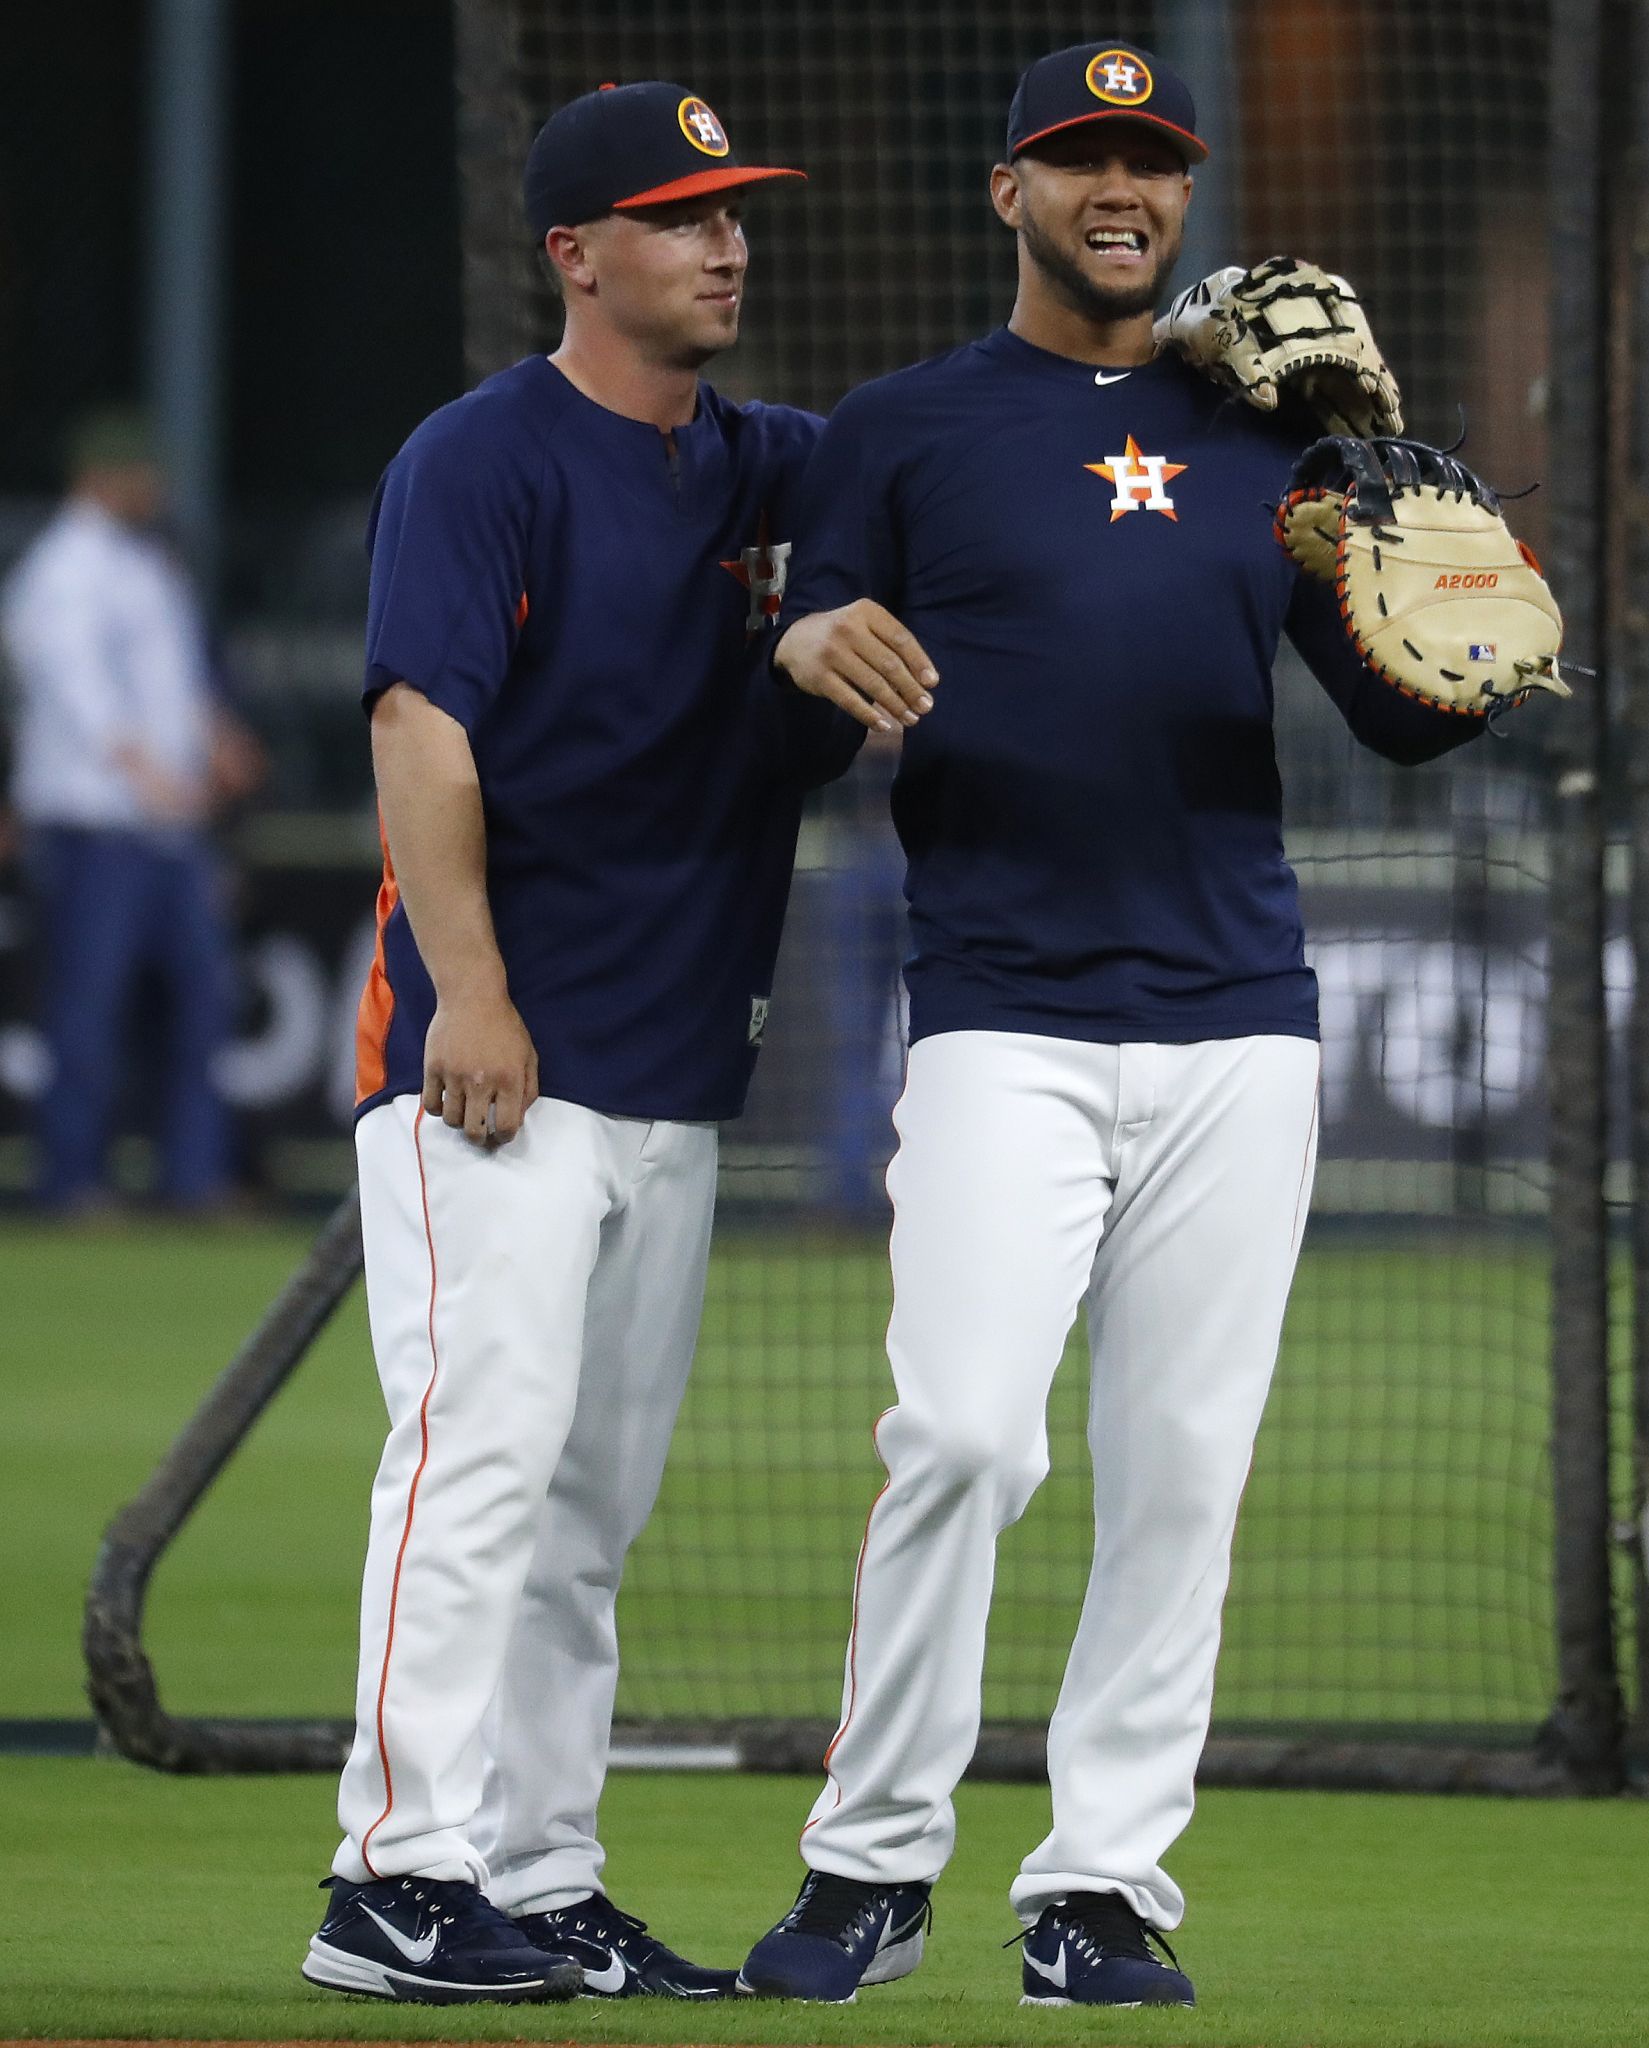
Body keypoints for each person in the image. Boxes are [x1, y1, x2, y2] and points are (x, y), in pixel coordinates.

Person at [739, 42, 1489, 2010]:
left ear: (1184, 191)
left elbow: (1415, 713)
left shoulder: (1271, 436)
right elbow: (798, 731)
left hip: (1241, 1022)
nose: (1118, 188)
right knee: (964, 1434)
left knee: (1180, 1473)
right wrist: (803, 642)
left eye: (1149, 160)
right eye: (1080, 158)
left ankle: (1100, 1891)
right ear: (1010, 192)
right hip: (1003, 1010)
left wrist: (1407, 506)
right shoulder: (898, 431)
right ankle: (869, 1860)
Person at [301, 82, 863, 2006]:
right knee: (476, 1462)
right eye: (676, 214)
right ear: (574, 252)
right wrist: (467, 985)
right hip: (499, 1065)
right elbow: (415, 727)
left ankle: (536, 1873)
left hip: (673, 1065)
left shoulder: (768, 462)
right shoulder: (482, 457)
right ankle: (387, 1869)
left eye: (731, 212)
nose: (723, 242)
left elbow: (934, 478)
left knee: (585, 1514)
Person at [0, 408, 262, 1213]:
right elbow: (76, 688)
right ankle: (72, 1180)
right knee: (89, 1007)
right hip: (93, 822)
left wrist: (214, 737)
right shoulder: (62, 567)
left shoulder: (147, 566)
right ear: (100, 476)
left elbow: (173, 678)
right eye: (140, 473)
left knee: (201, 1001)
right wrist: (143, 768)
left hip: (166, 825)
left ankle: (193, 1176)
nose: (155, 486)